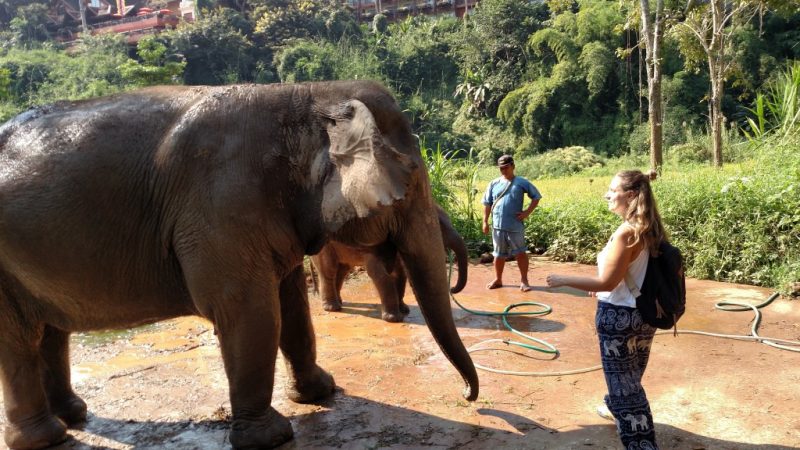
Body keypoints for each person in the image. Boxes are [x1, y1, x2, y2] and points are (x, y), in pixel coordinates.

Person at [545, 170, 665, 450]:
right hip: (643, 316)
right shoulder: (649, 227)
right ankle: (613, 407)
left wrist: (562, 279)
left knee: (627, 390)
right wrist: (601, 288)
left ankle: (642, 445)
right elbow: (629, 275)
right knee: (630, 377)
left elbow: (607, 281)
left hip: (618, 319)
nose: (607, 195)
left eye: (613, 190)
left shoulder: (626, 232)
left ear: (631, 195)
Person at [482, 154, 541, 292]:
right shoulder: (494, 183)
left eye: (506, 167)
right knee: (498, 254)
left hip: (515, 225)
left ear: (513, 166)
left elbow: (536, 197)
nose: (503, 170)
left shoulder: (521, 182)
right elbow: (487, 203)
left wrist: (527, 212)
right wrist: (485, 221)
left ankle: (524, 280)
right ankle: (498, 279)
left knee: (520, 253)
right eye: (501, 168)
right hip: (497, 225)